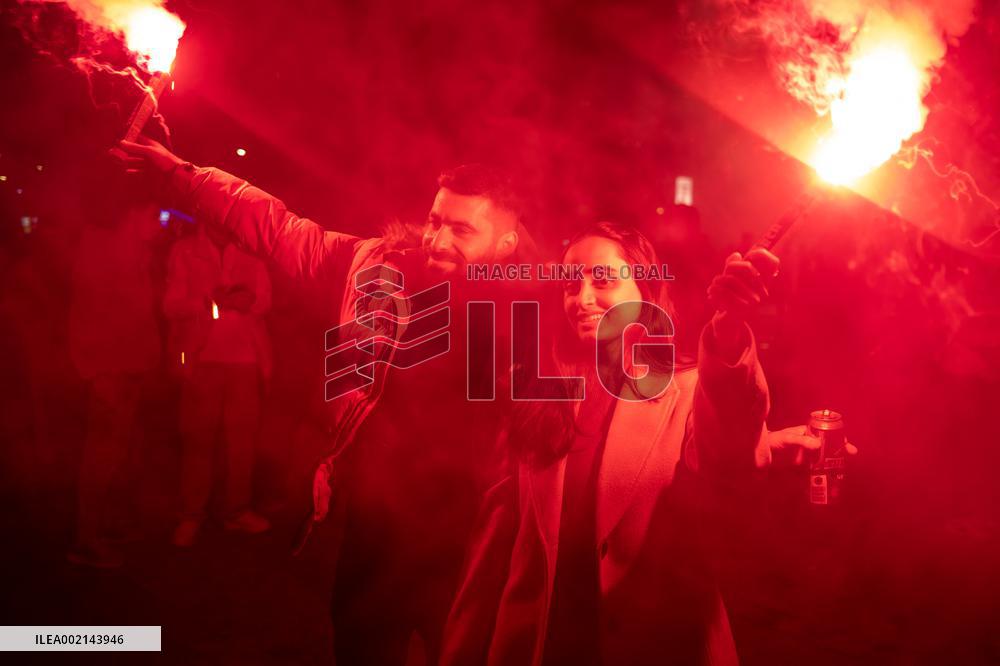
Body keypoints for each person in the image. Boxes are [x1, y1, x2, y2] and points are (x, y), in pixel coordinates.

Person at [115, 136, 531, 664]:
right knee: (360, 642)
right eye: (435, 219)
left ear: (507, 244)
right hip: (377, 518)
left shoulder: (535, 306)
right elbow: (277, 227)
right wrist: (182, 174)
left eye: (462, 228)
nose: (438, 238)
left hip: (476, 533)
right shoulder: (372, 267)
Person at [442, 221, 792, 665]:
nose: (582, 299)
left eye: (603, 279)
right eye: (571, 284)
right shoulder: (536, 393)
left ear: (644, 289)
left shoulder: (685, 391)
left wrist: (727, 331)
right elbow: (493, 553)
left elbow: (734, 455)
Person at [164, 220, 274, 546]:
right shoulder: (184, 250)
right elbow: (170, 305)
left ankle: (236, 511)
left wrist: (247, 300)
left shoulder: (251, 251)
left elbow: (265, 300)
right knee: (199, 440)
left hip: (246, 361)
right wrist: (211, 300)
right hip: (203, 360)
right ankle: (191, 514)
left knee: (242, 443)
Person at [67, 194, 163, 568]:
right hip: (109, 372)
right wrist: (94, 370)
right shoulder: (102, 250)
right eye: (154, 215)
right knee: (100, 458)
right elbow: (85, 314)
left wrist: (147, 358)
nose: (159, 224)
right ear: (135, 214)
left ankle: (103, 527)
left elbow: (139, 315)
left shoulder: (136, 254)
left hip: (128, 369)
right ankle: (84, 541)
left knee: (119, 454)